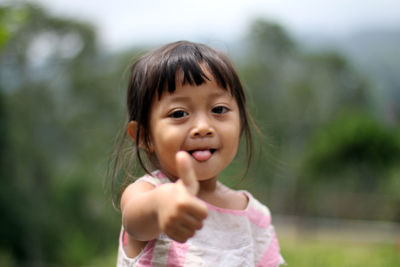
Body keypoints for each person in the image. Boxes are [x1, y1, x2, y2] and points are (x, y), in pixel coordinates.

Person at [112, 41, 285, 266]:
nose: (203, 126)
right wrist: (162, 205)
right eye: (179, 113)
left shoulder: (254, 217)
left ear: (241, 123)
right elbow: (135, 221)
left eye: (219, 110)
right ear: (145, 136)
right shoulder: (148, 193)